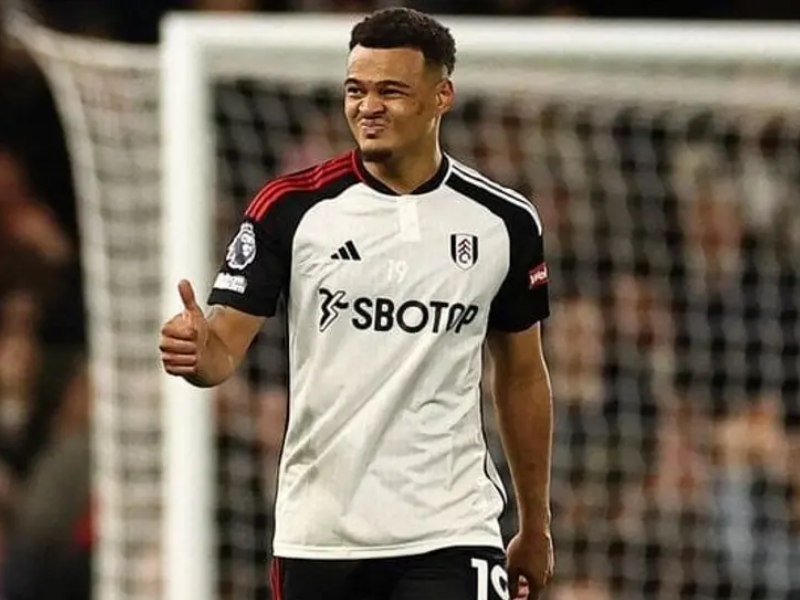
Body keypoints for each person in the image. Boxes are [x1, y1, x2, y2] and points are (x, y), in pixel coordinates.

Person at [159, 7, 554, 600]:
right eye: (356, 90)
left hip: (451, 527)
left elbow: (522, 376)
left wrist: (535, 524)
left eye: (391, 91)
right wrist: (196, 350)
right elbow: (222, 354)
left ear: (441, 95)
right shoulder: (291, 209)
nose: (368, 106)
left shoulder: (503, 222)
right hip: (322, 534)